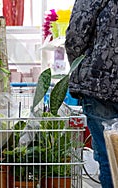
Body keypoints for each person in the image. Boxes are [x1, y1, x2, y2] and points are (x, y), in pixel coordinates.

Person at [65, 0, 118, 187]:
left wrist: (83, 66)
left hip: (101, 84)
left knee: (108, 156)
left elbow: (75, 38)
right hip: (101, 86)